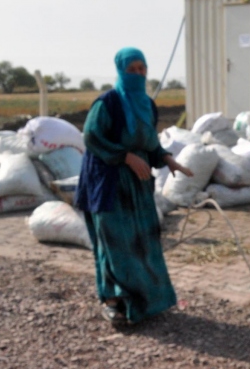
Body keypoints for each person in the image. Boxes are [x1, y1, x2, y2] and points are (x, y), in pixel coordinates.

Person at [76, 47, 193, 329]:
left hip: (137, 184)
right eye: (132, 70)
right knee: (114, 242)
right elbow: (92, 137)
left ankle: (142, 300)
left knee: (142, 240)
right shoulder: (108, 103)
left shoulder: (147, 105)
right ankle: (112, 302)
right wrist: (124, 156)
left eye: (142, 69)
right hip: (107, 182)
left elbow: (149, 143)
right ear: (121, 71)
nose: (138, 74)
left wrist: (166, 159)